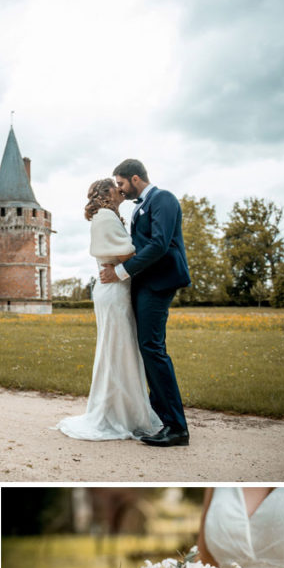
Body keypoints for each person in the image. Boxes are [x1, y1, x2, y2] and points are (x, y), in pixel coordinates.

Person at [55, 179, 162, 442]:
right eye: (116, 186)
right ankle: (116, 413)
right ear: (106, 193)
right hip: (113, 290)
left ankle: (127, 411)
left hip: (117, 288)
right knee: (117, 349)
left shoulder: (108, 216)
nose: (120, 189)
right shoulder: (104, 217)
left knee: (122, 349)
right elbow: (127, 255)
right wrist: (152, 250)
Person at [100, 159, 190, 447]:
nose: (120, 190)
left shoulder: (163, 199)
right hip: (145, 283)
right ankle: (161, 417)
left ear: (135, 178)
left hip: (159, 282)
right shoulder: (140, 206)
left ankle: (176, 427)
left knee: (153, 347)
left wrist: (120, 273)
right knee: (147, 347)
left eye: (121, 183)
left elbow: (160, 244)